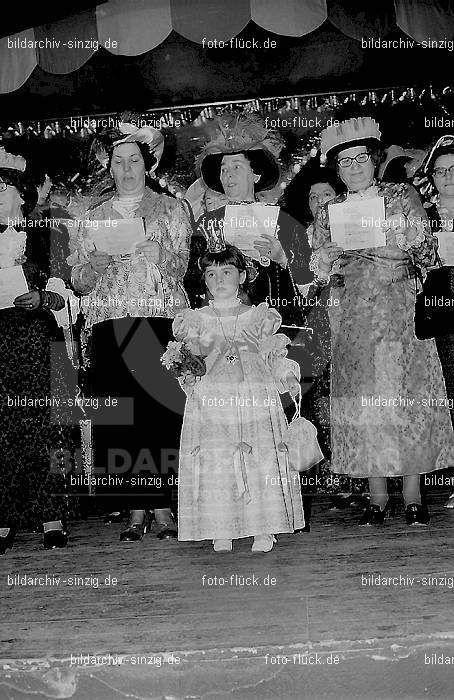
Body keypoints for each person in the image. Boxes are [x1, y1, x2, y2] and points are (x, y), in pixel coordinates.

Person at [312, 117, 454, 526]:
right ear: (336, 169)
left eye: (360, 159)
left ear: (374, 160)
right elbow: (322, 269)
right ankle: (376, 496)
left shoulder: (401, 195)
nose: (353, 167)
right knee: (365, 404)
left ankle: (412, 494)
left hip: (399, 309)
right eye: (344, 162)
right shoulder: (330, 211)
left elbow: (426, 251)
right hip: (355, 315)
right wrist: (328, 259)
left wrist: (404, 239)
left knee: (406, 399)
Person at [69, 118, 192, 541]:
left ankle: (162, 505)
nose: (126, 169)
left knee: (159, 414)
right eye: (118, 161)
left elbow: (183, 269)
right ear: (110, 168)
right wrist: (92, 268)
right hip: (109, 322)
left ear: (148, 163)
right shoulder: (91, 216)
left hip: (158, 321)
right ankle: (134, 507)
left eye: (133, 160)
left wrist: (161, 255)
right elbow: (79, 281)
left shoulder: (174, 209)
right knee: (121, 417)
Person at [173, 242, 305, 552]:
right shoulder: (195, 319)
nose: (219, 280)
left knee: (258, 454)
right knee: (218, 456)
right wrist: (187, 373)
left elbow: (273, 352)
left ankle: (263, 525)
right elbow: (189, 359)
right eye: (211, 274)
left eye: (227, 272)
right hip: (213, 397)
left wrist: (286, 375)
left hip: (254, 393)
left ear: (242, 276)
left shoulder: (258, 317)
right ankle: (222, 525)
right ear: (204, 279)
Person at [0, 147, 78, 553]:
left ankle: (53, 514)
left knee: (51, 428)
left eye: (3, 187)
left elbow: (71, 295)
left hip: (37, 340)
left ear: (22, 195)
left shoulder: (49, 234)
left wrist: (43, 297)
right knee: (3, 429)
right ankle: (3, 518)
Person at [184, 114, 302, 327]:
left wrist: (283, 259)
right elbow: (192, 282)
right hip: (222, 326)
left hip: (273, 326)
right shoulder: (206, 224)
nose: (228, 175)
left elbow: (308, 283)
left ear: (255, 175)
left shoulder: (283, 222)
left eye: (236, 167)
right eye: (223, 170)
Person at [420, 135, 454, 508]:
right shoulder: (423, 217)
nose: (447, 177)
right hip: (443, 312)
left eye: (453, 170)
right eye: (440, 171)